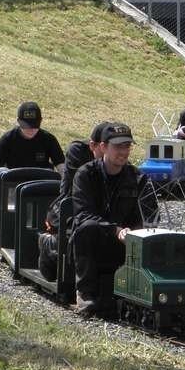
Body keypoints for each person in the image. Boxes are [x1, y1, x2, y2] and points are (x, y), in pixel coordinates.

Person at [71, 122, 158, 317]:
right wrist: (115, 230)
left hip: (126, 243)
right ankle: (86, 293)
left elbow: (151, 216)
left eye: (127, 146)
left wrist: (135, 233)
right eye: (118, 146)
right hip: (95, 240)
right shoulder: (85, 174)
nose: (124, 151)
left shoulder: (139, 179)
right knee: (86, 228)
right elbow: (83, 215)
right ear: (103, 147)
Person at [37, 121, 109, 281]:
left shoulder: (115, 160)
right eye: (105, 147)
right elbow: (81, 186)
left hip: (96, 208)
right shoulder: (78, 151)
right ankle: (49, 244)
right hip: (68, 208)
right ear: (94, 145)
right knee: (54, 271)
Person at [0, 101, 65, 207]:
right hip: (13, 188)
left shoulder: (48, 139)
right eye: (26, 126)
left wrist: (67, 193)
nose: (31, 130)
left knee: (52, 174)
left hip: (39, 187)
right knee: (1, 172)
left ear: (41, 121)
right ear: (18, 121)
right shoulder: (8, 138)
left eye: (34, 126)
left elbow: (62, 168)